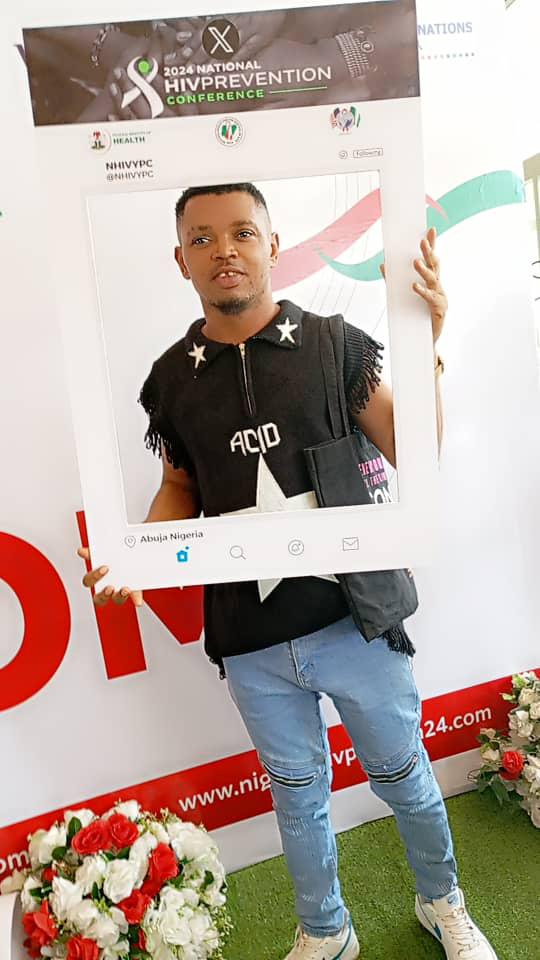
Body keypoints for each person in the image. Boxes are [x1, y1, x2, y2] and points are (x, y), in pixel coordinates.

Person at [80, 183, 498, 960]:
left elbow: (415, 448)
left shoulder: (334, 344)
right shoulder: (172, 378)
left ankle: (444, 904)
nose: (224, 250)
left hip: (356, 621)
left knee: (404, 775)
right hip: (251, 640)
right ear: (180, 260)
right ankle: (325, 930)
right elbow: (178, 487)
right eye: (202, 238)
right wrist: (136, 557)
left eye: (242, 232)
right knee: (298, 797)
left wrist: (429, 347)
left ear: (273, 245)